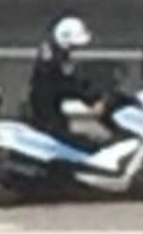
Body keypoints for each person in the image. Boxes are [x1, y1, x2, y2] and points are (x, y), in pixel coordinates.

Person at [25, 15, 103, 152]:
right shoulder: (55, 61)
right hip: (47, 110)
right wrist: (91, 99)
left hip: (48, 104)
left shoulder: (53, 51)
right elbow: (69, 84)